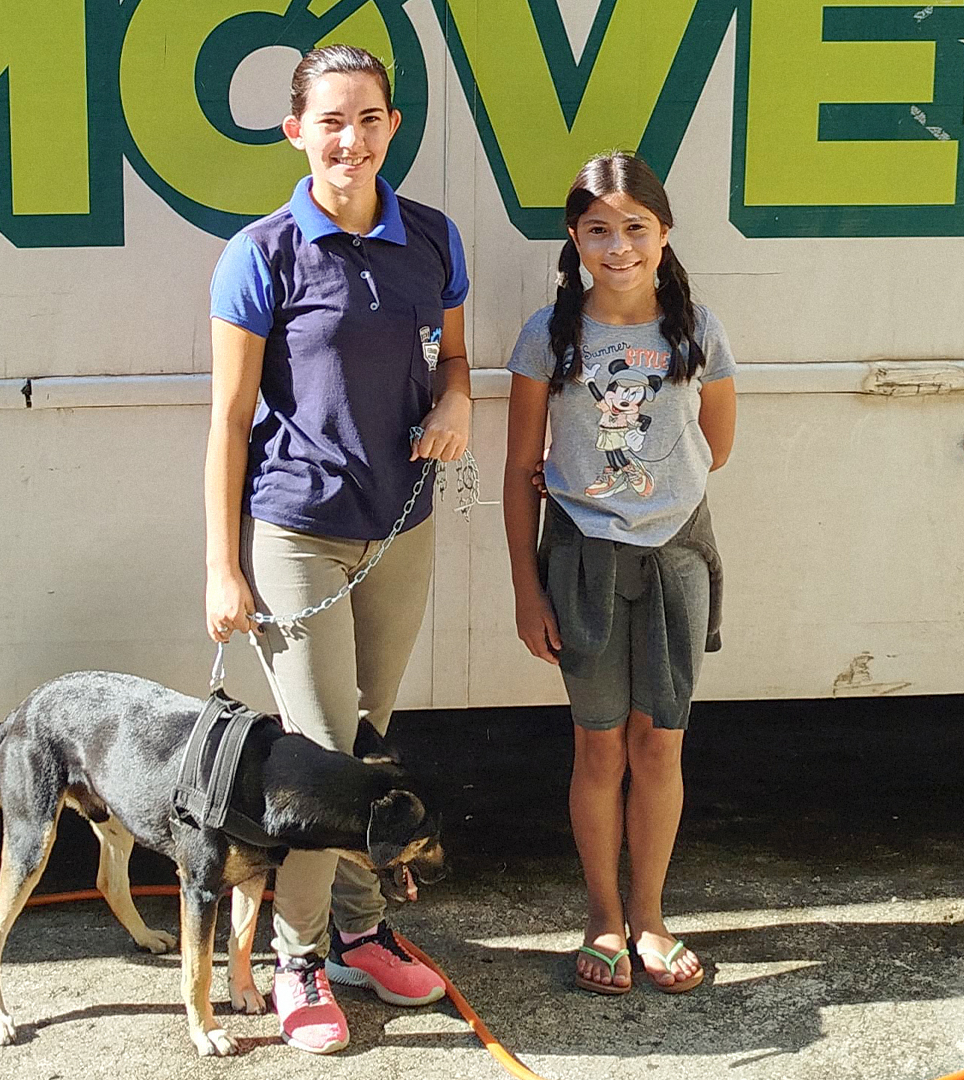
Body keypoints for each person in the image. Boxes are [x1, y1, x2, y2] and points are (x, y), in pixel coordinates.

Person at [204, 44, 471, 1053]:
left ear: (390, 126)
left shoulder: (432, 239)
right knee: (319, 761)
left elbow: (455, 367)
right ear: (294, 132)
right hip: (295, 534)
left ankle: (359, 930)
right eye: (328, 120)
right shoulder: (261, 253)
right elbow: (228, 421)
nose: (348, 139)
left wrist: (453, 403)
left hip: (399, 527)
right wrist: (221, 565)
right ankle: (297, 955)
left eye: (367, 118)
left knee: (363, 748)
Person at [501, 151, 737, 996]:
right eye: (598, 230)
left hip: (676, 556)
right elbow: (518, 466)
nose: (618, 246)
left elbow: (720, 443)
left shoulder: (696, 330)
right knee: (598, 749)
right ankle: (602, 916)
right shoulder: (547, 334)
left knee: (660, 744)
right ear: (574, 240)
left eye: (635, 228)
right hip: (579, 560)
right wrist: (528, 590)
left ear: (664, 236)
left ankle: (650, 917)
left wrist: (654, 488)